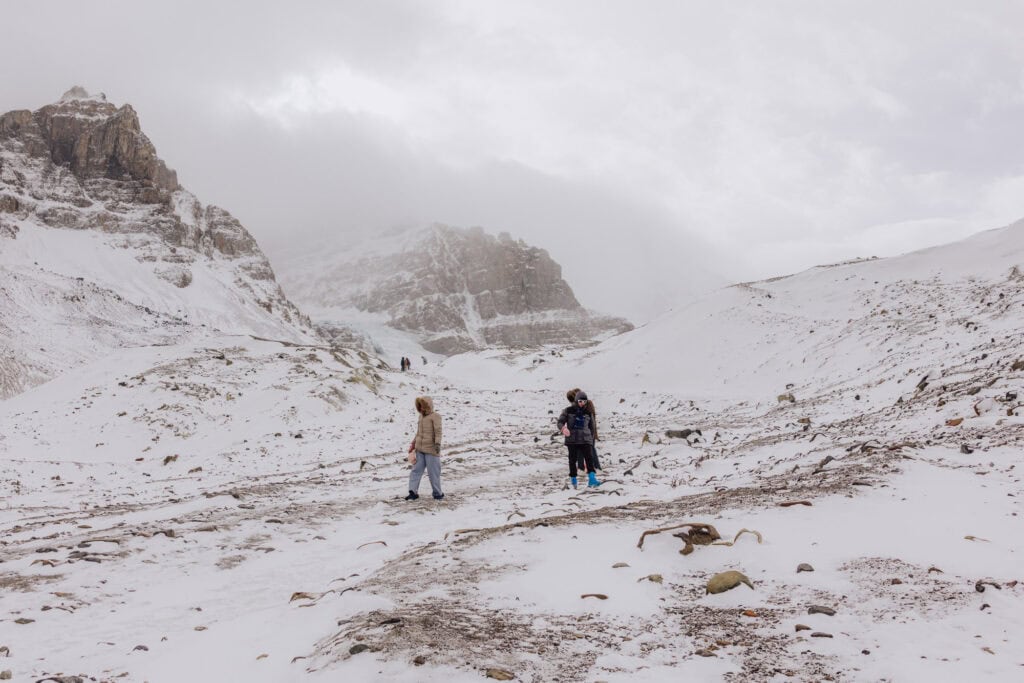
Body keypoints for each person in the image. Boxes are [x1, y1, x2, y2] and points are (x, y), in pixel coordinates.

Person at [557, 390, 600, 489]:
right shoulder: (568, 410)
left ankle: (592, 479)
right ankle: (573, 479)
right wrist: (563, 429)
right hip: (572, 440)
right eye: (580, 401)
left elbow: (592, 427)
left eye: (584, 401)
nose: (582, 403)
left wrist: (591, 438)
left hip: (585, 439)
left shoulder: (588, 413)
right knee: (572, 460)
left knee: (589, 459)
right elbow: (560, 422)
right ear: (576, 400)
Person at [405, 396, 443, 500]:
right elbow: (418, 433)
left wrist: (437, 444)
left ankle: (437, 493)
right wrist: (413, 444)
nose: (421, 408)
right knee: (416, 470)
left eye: (423, 406)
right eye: (420, 406)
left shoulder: (436, 416)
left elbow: (438, 432)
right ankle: (413, 492)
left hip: (431, 450)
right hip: (420, 449)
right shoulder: (420, 417)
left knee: (433, 473)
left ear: (428, 406)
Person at [566, 388, 602, 474]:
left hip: (587, 432)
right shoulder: (583, 404)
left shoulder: (587, 404)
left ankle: (596, 467)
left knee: (590, 448)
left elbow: (590, 419)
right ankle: (584, 467)